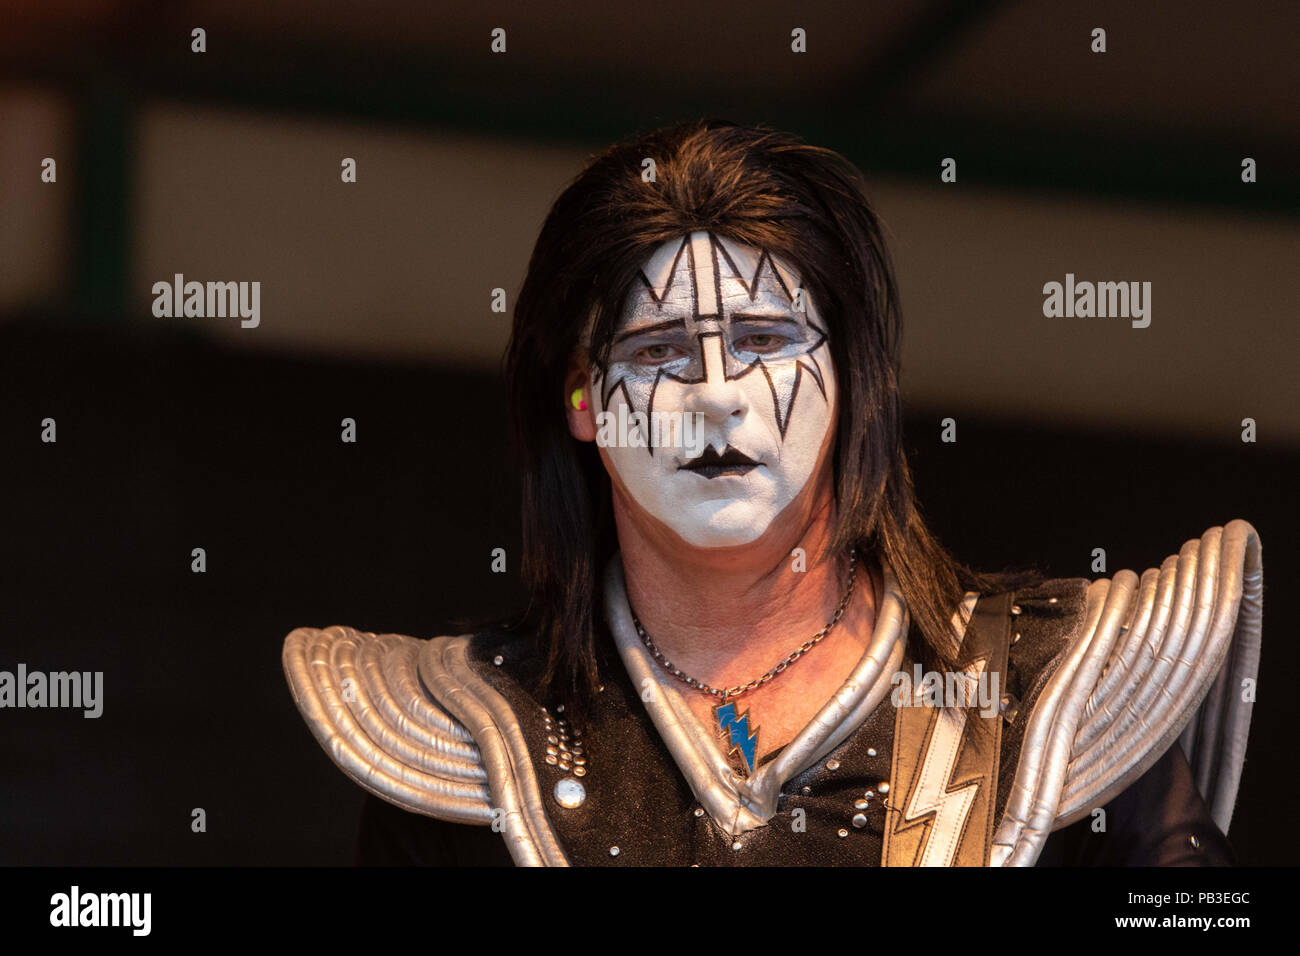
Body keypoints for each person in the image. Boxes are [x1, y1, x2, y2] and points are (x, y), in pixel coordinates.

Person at [282, 120, 1262, 866]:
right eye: (657, 351)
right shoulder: (464, 739)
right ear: (581, 398)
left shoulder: (1067, 689)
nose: (716, 398)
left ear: (852, 376)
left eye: (765, 341)